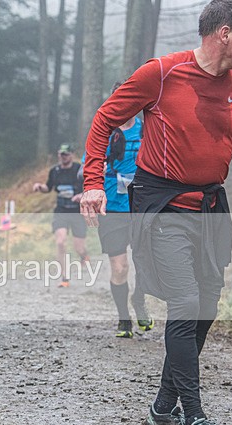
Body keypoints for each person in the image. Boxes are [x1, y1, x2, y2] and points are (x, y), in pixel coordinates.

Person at [81, 0, 232, 425]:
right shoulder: (161, 73)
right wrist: (92, 182)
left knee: (205, 307)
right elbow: (106, 118)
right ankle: (195, 416)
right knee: (185, 301)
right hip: (160, 202)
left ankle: (163, 410)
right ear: (224, 33)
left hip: (209, 205)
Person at [80, 83, 154, 338]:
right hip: (111, 208)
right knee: (120, 266)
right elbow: (86, 165)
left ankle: (140, 299)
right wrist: (95, 174)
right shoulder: (106, 132)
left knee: (146, 263)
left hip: (142, 206)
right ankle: (124, 318)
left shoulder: (146, 129)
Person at [33, 144, 90, 287]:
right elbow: (48, 187)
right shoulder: (55, 171)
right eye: (61, 154)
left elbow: (90, 187)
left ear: (71, 154)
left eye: (66, 154)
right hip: (61, 211)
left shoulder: (79, 170)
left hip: (77, 211)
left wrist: (81, 195)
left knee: (79, 247)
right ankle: (64, 278)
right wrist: (40, 187)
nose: (63, 157)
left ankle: (84, 255)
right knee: (60, 242)